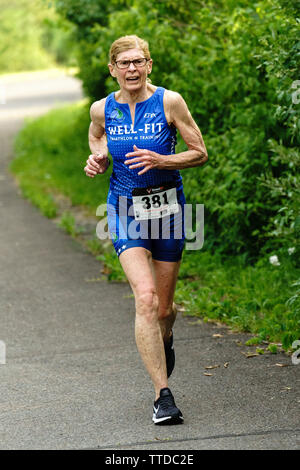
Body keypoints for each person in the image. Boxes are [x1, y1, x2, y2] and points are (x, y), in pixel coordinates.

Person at [84, 35, 208, 425]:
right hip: (124, 208)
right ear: (113, 69)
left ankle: (165, 339)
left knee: (166, 311)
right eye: (124, 63)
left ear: (149, 65)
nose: (132, 69)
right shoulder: (102, 108)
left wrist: (163, 159)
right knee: (147, 299)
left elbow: (200, 151)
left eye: (139, 62)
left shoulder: (170, 101)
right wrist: (99, 158)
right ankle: (163, 396)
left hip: (169, 209)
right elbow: (96, 136)